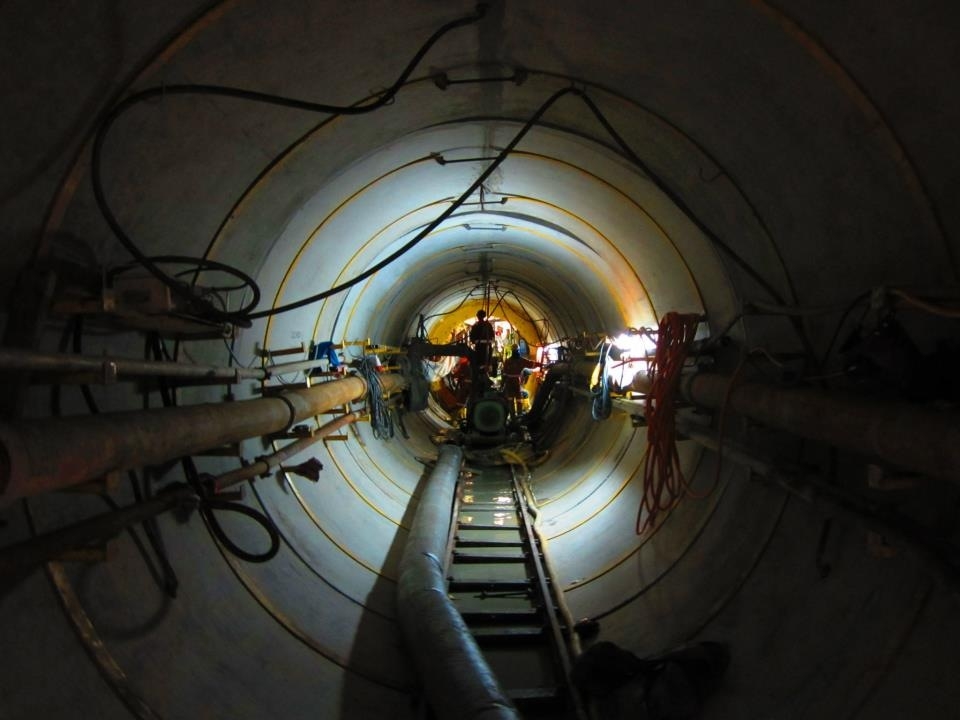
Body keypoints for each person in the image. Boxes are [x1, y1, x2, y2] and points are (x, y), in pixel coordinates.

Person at [501, 345, 539, 418]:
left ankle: (514, 416)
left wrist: (502, 385)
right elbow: (532, 363)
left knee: (512, 400)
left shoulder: (508, 361)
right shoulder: (521, 360)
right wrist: (542, 365)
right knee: (516, 399)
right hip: (516, 383)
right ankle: (518, 415)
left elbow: (504, 374)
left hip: (511, 383)